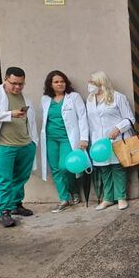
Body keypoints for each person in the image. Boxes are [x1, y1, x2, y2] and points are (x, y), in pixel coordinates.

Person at [0, 66, 39, 227]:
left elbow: (30, 122)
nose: (17, 87)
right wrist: (9, 114)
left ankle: (16, 205)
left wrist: (33, 142)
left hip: (25, 145)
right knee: (5, 180)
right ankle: (4, 212)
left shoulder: (26, 98)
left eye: (21, 84)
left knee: (21, 177)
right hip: (4, 146)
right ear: (5, 79)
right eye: (14, 83)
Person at [40, 70, 89, 212]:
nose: (60, 84)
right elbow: (44, 119)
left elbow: (82, 117)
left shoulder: (74, 97)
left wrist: (84, 138)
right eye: (56, 82)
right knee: (55, 168)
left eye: (62, 81)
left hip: (68, 138)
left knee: (65, 167)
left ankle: (74, 191)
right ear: (50, 84)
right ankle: (64, 199)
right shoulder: (45, 99)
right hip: (50, 138)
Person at [86, 71, 134, 211]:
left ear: (102, 83)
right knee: (104, 170)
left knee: (117, 168)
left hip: (115, 139)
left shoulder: (118, 97)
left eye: (93, 82)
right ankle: (108, 198)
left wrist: (118, 129)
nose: (90, 85)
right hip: (98, 142)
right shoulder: (90, 99)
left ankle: (121, 198)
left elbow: (130, 119)